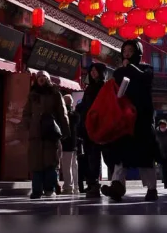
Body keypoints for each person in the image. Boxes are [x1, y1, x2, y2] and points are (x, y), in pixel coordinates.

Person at [101, 39, 160, 202]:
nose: (126, 53)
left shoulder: (147, 69)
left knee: (145, 158)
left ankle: (152, 189)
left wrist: (129, 67)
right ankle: (116, 187)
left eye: (130, 50)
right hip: (125, 119)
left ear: (137, 53)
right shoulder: (119, 72)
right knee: (121, 157)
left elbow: (142, 78)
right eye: (124, 50)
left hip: (142, 119)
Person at [22, 70, 70, 200]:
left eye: (44, 76)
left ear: (48, 79)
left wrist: (65, 130)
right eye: (39, 76)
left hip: (50, 132)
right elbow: (26, 113)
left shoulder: (55, 93)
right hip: (36, 133)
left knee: (50, 163)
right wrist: (29, 124)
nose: (41, 78)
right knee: (36, 163)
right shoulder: (32, 95)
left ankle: (49, 189)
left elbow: (62, 113)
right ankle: (36, 191)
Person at [76, 62, 107, 198]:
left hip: (98, 124)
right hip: (87, 125)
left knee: (95, 155)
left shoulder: (104, 87)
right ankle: (90, 183)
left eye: (96, 70)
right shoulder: (89, 88)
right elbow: (85, 104)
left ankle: (94, 184)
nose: (93, 73)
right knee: (88, 155)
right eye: (91, 70)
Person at [61, 94, 80, 194]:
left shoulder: (65, 114)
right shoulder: (75, 115)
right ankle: (75, 187)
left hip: (66, 142)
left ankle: (68, 186)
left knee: (66, 165)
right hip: (74, 143)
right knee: (74, 165)